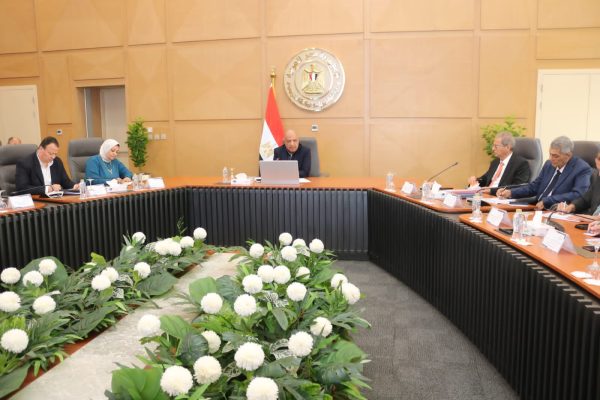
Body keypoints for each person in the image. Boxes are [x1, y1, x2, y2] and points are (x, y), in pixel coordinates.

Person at [497, 136, 591, 210]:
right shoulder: (549, 164)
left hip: (555, 210)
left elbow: (578, 194)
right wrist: (511, 192)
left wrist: (548, 201)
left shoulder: (582, 169)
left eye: (555, 156)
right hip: (536, 206)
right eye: (550, 154)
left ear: (568, 155)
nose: (551, 158)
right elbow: (534, 187)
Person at [557, 149, 600, 217]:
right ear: (596, 160)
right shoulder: (595, 176)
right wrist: (571, 207)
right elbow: (586, 199)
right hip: (590, 220)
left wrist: (596, 218)